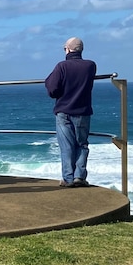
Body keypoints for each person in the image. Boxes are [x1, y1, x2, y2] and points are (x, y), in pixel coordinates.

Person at [45, 36, 97, 188]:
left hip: (64, 111)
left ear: (67, 50)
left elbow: (52, 89)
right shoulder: (90, 66)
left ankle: (68, 178)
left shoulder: (62, 66)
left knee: (66, 146)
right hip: (83, 111)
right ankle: (79, 176)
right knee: (82, 145)